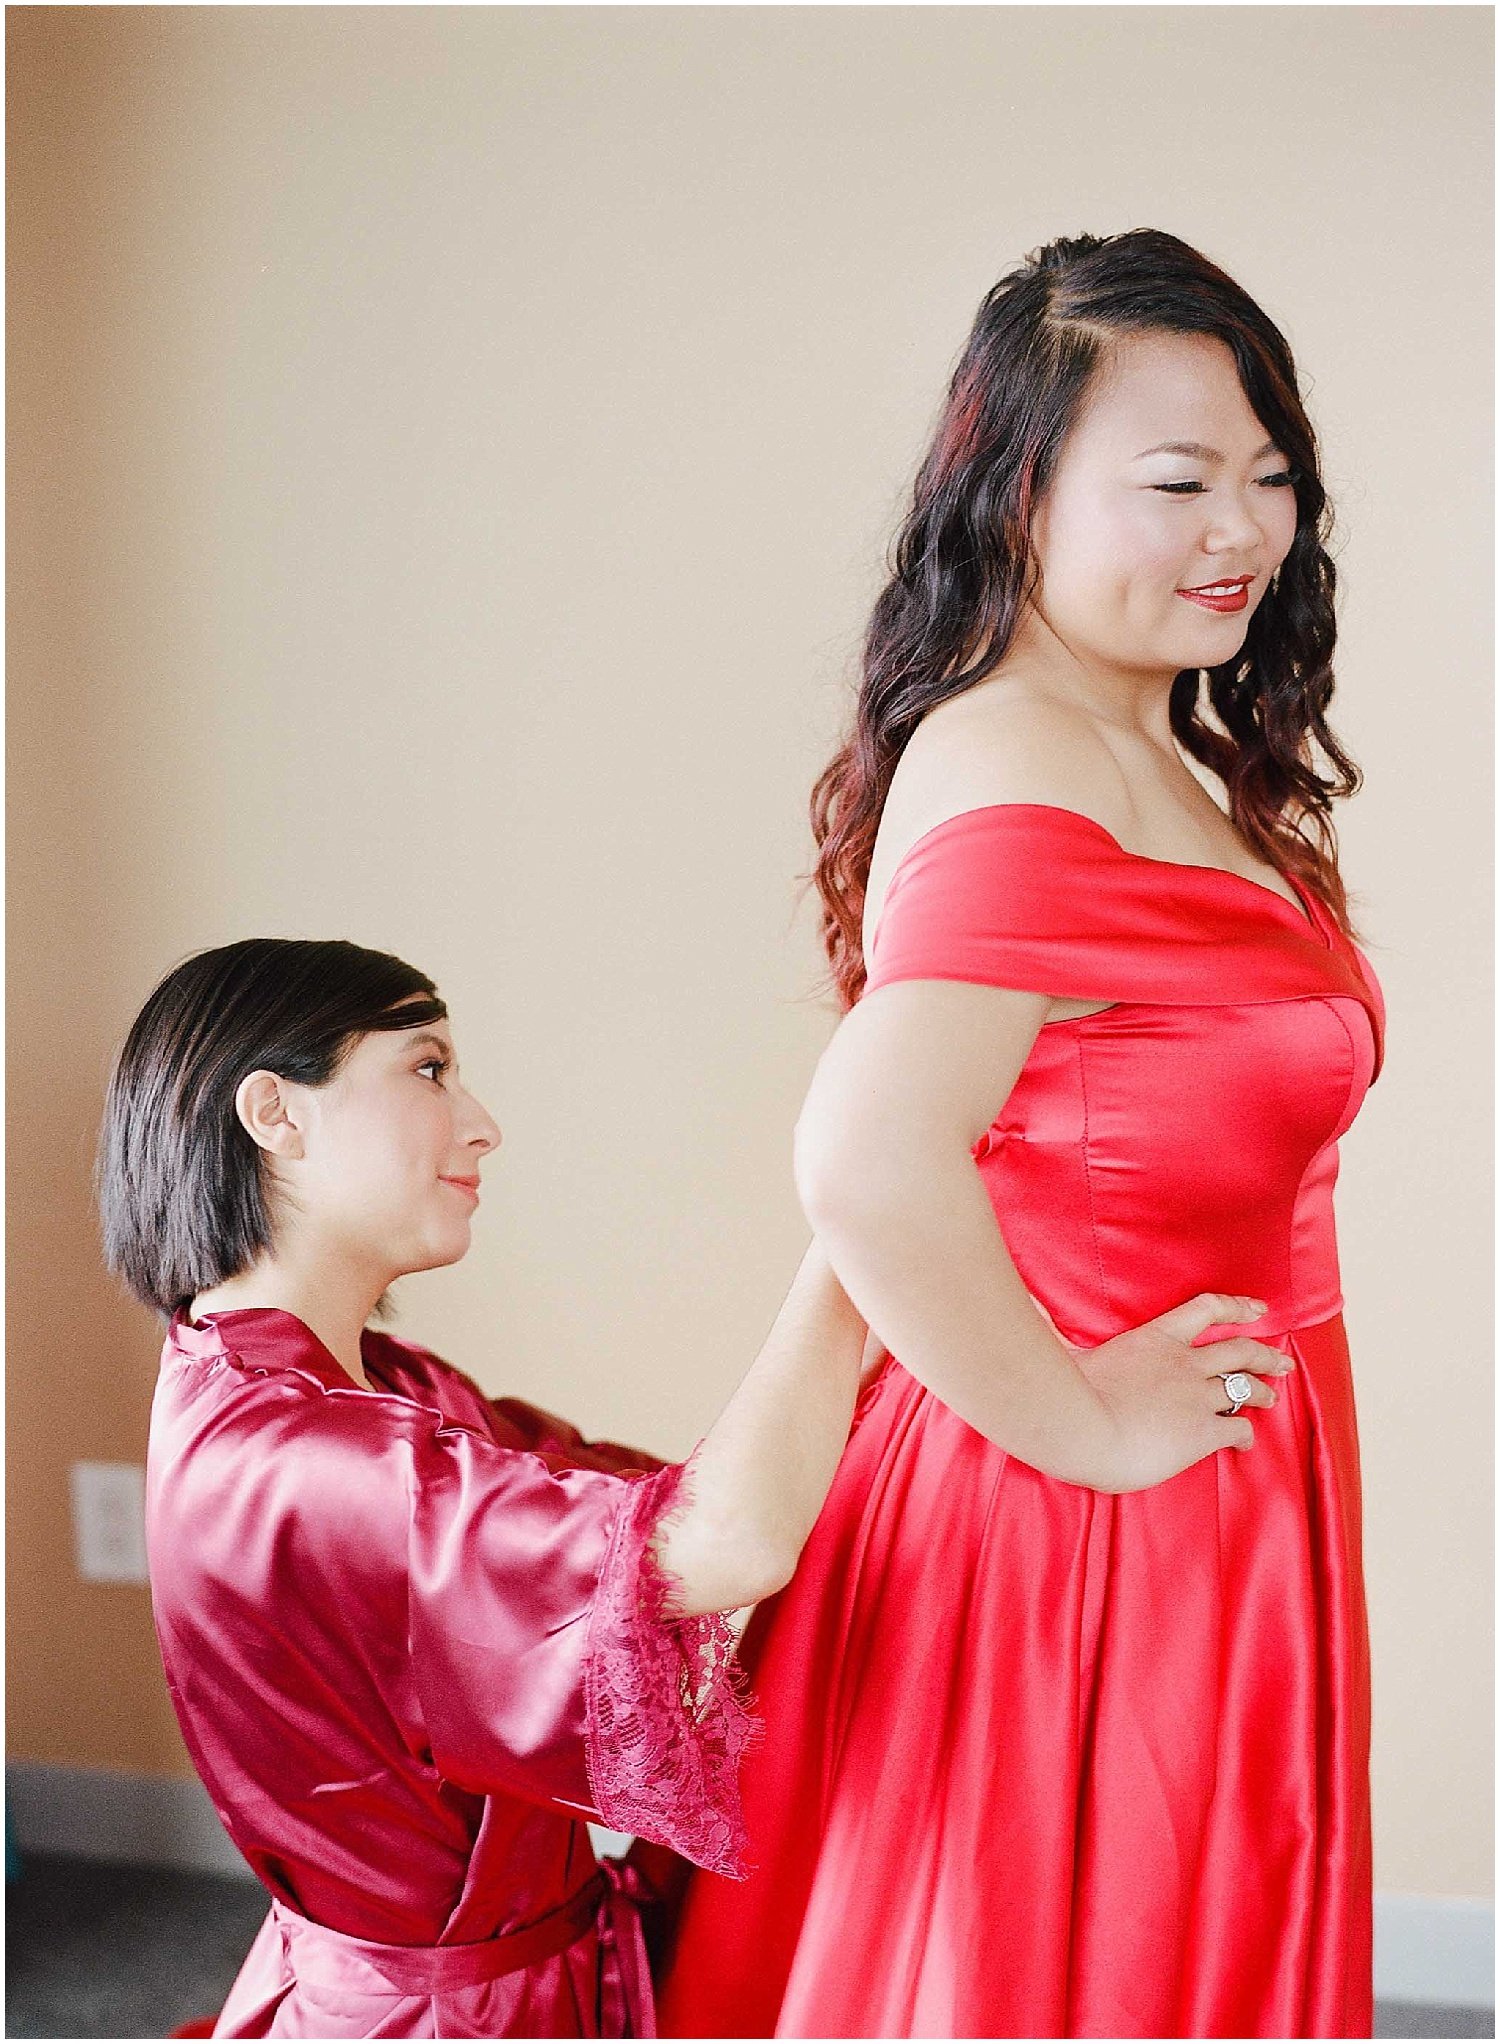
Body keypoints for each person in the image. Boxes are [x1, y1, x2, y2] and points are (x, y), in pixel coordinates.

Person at [657, 230, 1386, 2039]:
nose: (1244, 528)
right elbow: (867, 1155)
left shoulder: (1172, 756)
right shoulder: (1019, 754)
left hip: (1221, 1488)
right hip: (1063, 1518)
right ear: (1018, 497)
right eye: (1179, 481)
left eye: (1270, 478)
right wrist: (1082, 1423)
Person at [96, 936, 870, 2039]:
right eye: (426, 1067)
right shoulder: (306, 1457)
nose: (481, 1122)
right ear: (275, 1111)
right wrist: (862, 1213)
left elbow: (655, 1500)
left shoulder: (351, 1386)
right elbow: (719, 1542)